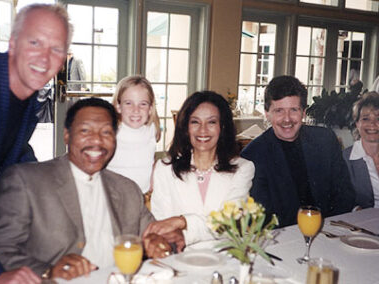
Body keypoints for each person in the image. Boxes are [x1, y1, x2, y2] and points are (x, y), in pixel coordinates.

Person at [0, 98, 182, 281]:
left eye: (106, 132)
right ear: (67, 135)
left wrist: (161, 242)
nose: (96, 140)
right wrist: (47, 270)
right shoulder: (25, 181)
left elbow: (155, 236)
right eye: (85, 131)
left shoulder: (127, 189)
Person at [0, 4, 72, 283]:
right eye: (35, 42)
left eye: (56, 48)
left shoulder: (26, 95)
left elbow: (11, 153)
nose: (45, 58)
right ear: (13, 42)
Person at [240, 75, 356, 228]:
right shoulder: (253, 155)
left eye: (294, 110)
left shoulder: (325, 140)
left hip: (330, 230)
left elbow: (345, 195)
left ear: (303, 112)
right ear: (267, 113)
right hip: (285, 238)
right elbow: (264, 217)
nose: (287, 119)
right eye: (279, 110)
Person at [144, 91, 255, 247]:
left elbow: (229, 223)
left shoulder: (243, 168)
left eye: (211, 122)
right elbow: (161, 223)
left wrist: (182, 222)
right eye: (195, 122)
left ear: (222, 127)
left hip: (226, 259)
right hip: (179, 259)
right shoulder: (164, 168)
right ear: (185, 127)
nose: (203, 130)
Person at [106, 75, 161, 194]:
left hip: (142, 197)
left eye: (143, 104)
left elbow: (148, 158)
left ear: (150, 108)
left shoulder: (151, 129)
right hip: (113, 197)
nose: (136, 110)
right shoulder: (111, 132)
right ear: (118, 106)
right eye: (128, 103)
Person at [343, 92, 379, 208]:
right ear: (357, 123)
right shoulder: (344, 159)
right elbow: (339, 200)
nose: (372, 124)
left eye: (378, 118)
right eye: (366, 119)